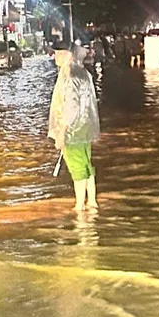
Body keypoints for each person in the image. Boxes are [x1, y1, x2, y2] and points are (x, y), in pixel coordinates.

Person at [48, 41, 102, 211]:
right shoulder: (82, 72)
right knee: (86, 164)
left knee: (77, 168)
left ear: (68, 55)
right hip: (85, 128)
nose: (55, 56)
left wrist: (62, 132)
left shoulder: (69, 75)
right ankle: (91, 201)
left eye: (58, 53)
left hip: (73, 131)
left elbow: (71, 106)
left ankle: (80, 205)